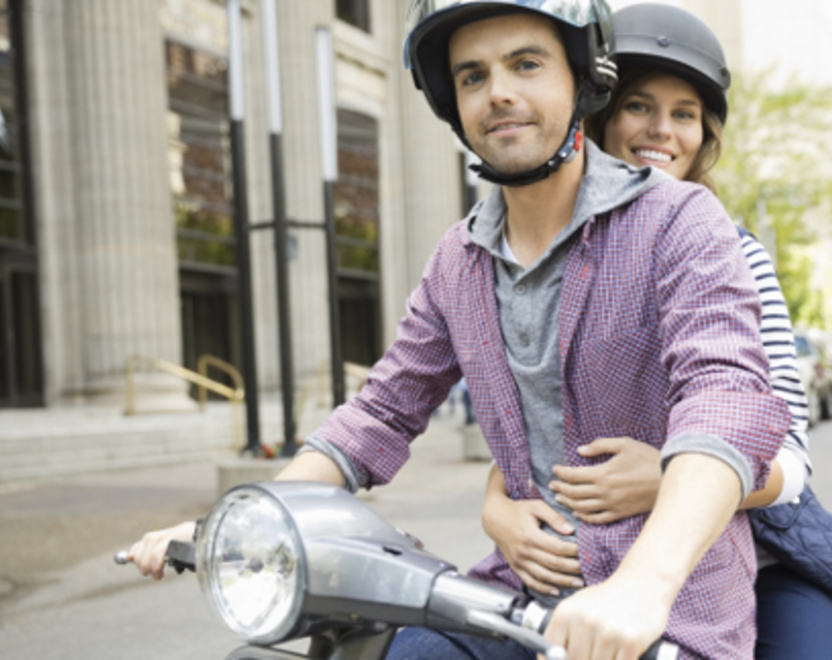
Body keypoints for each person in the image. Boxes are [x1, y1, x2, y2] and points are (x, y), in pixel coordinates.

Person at [129, 1, 790, 659]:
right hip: (514, 603)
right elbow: (380, 412)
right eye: (472, 76)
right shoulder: (458, 259)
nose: (498, 91)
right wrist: (243, 524)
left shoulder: (679, 220)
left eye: (526, 64)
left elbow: (724, 398)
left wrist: (645, 585)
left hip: (666, 619)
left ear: (582, 79)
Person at [479, 5, 832, 658]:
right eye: (638, 106)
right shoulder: (537, 251)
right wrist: (496, 507)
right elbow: (533, 419)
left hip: (758, 555)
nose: (661, 130)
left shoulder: (730, 250)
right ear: (596, 113)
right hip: (593, 566)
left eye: (684, 114)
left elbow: (790, 456)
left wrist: (666, 474)